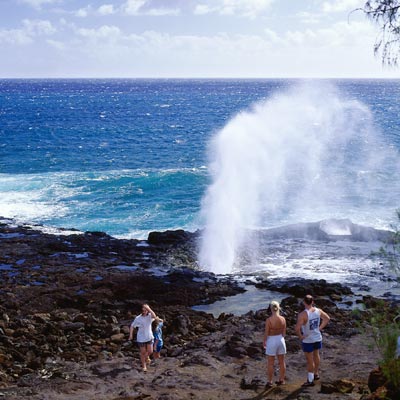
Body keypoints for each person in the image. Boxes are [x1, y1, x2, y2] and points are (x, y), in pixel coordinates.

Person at [295, 294, 331, 387]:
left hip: (308, 340)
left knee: (310, 360)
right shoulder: (318, 311)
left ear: (304, 302)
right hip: (317, 338)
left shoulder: (302, 314)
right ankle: (316, 373)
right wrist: (319, 328)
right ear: (312, 302)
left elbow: (297, 328)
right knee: (316, 355)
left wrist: (301, 336)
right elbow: (327, 318)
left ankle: (310, 380)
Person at [263, 300, 287, 388]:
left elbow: (266, 333)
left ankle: (270, 382)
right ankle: (282, 379)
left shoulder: (269, 320)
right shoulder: (283, 319)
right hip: (281, 340)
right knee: (282, 362)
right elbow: (284, 333)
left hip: (272, 340)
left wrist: (264, 341)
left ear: (271, 309)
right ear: (278, 308)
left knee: (270, 363)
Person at [129, 303, 157, 372]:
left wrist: (149, 308)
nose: (145, 311)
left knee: (150, 351)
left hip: (149, 337)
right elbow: (132, 326)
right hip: (141, 338)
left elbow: (154, 316)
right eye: (143, 310)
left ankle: (146, 358)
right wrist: (131, 335)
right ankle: (144, 366)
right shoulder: (138, 318)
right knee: (143, 352)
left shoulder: (149, 316)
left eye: (146, 310)